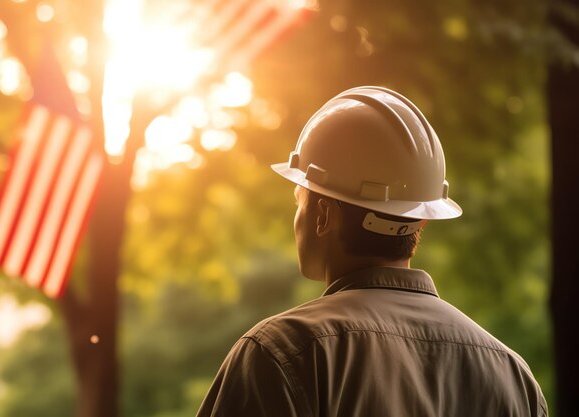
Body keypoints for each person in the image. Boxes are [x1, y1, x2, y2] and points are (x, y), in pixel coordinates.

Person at [196, 86, 547, 417]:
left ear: (323, 215)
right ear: (421, 221)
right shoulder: (512, 376)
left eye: (299, 201)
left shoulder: (283, 354)